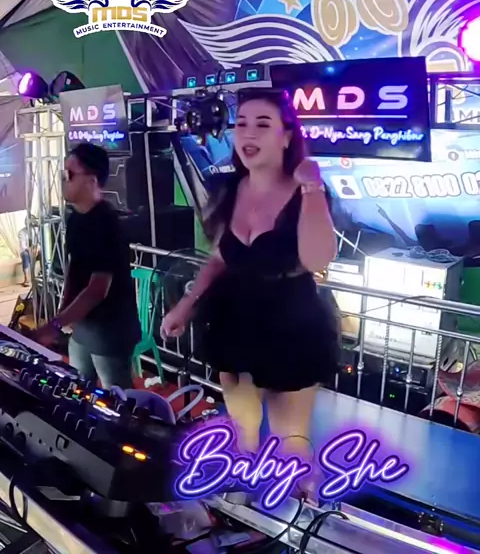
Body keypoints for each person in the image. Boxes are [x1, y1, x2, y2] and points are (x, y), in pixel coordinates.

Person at [160, 88, 339, 496]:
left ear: (286, 136)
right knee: (242, 430)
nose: (248, 133)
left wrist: (312, 189)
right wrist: (186, 305)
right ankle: (243, 506)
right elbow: (220, 258)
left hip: (290, 324)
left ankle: (299, 514)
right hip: (235, 318)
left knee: (291, 441)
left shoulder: (306, 191)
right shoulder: (229, 188)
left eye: (262, 124)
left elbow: (318, 259)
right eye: (241, 124)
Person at [36, 143, 140, 389]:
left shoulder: (106, 223)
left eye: (70, 174)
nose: (64, 180)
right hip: (83, 325)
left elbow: (97, 289)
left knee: (117, 399)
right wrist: (65, 312)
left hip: (109, 329)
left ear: (92, 180)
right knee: (78, 390)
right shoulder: (75, 219)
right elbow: (75, 268)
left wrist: (55, 325)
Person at [18, 220, 30, 287]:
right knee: (25, 255)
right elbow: (23, 246)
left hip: (35, 250)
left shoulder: (37, 230)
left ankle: (44, 274)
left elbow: (40, 241)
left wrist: (37, 248)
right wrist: (30, 250)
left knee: (42, 254)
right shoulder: (21, 232)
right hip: (26, 251)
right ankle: (26, 278)